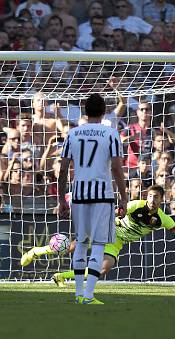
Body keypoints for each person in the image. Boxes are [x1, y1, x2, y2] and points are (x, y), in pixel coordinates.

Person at [21, 185, 175, 286]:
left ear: (162, 200)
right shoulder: (136, 205)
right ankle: (35, 252)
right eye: (151, 196)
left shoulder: (163, 219)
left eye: (157, 197)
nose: (152, 200)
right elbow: (112, 212)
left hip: (117, 241)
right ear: (147, 196)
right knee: (70, 248)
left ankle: (61, 277)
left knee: (102, 270)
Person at [56, 93, 127, 305]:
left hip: (79, 194)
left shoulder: (73, 134)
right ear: (104, 110)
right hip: (102, 195)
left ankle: (78, 293)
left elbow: (63, 169)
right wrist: (123, 197)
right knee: (97, 245)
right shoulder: (111, 133)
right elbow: (116, 167)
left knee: (81, 243)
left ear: (85, 111)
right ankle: (88, 295)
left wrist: (61, 199)